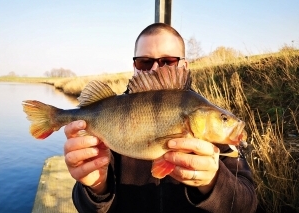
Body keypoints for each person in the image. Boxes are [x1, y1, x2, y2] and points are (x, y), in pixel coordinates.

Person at [63, 23, 257, 213]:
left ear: (184, 65)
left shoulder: (213, 134)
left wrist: (214, 182)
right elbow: (86, 207)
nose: (156, 69)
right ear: (134, 66)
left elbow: (248, 204)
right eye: (145, 62)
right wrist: (95, 188)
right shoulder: (111, 117)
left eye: (168, 61)